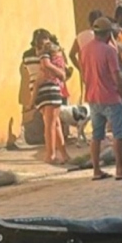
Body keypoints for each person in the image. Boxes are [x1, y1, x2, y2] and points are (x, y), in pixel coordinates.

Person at [80, 17, 122, 181]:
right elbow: (117, 77)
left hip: (93, 97)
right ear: (109, 33)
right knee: (118, 134)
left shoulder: (85, 49)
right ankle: (120, 169)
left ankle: (96, 170)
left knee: (97, 135)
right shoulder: (109, 51)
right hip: (110, 97)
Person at [32, 35, 69, 165]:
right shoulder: (46, 55)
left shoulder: (47, 55)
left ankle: (64, 154)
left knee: (55, 123)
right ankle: (51, 155)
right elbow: (46, 65)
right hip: (51, 90)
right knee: (51, 125)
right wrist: (61, 73)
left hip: (48, 90)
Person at [70, 9, 103, 74]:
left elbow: (72, 55)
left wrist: (81, 69)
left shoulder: (80, 36)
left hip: (87, 72)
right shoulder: (102, 36)